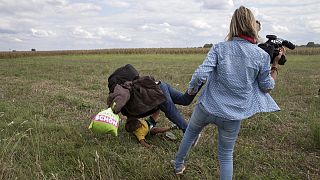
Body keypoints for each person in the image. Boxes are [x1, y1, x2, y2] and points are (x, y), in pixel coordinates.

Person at [172, 6, 285, 179]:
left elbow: (201, 74)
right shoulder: (262, 56)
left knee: (190, 135)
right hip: (233, 115)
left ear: (233, 25)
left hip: (207, 107)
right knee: (225, 155)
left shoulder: (219, 48)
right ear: (252, 25)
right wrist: (274, 65)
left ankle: (178, 166)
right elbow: (266, 87)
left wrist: (191, 90)